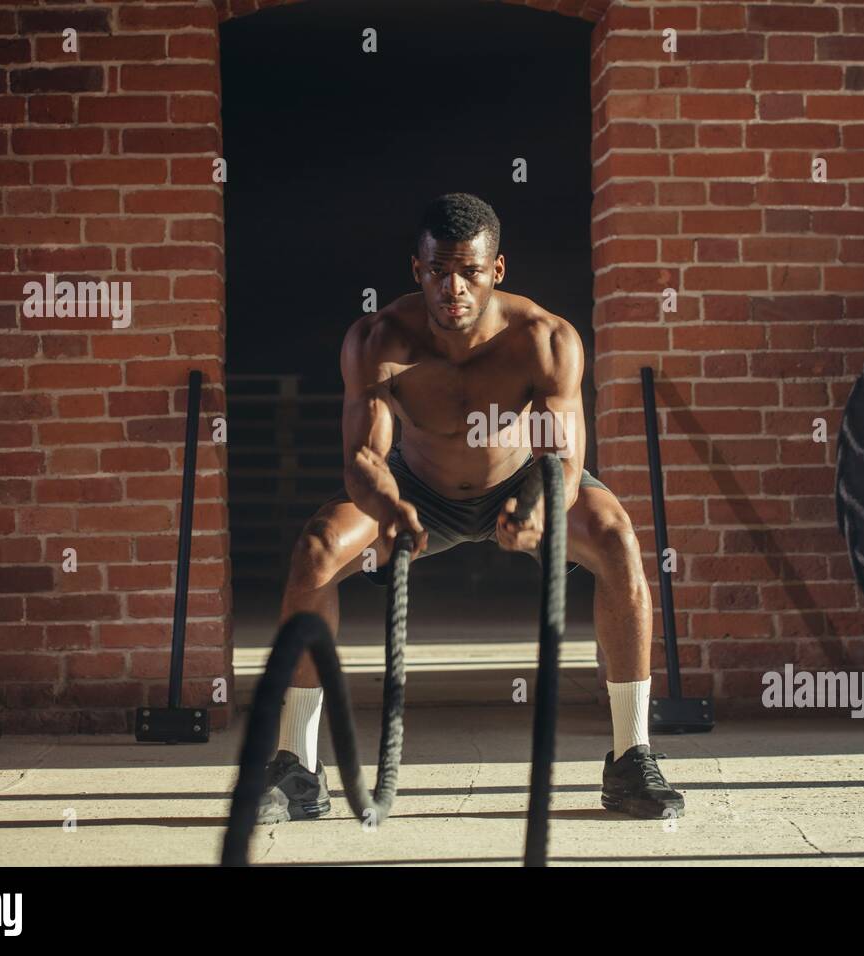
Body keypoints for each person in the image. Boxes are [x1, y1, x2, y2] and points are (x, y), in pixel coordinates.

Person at [257, 193, 684, 823]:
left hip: (521, 482)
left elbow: (563, 462)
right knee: (318, 547)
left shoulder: (546, 339)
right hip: (417, 488)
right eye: (438, 272)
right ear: (417, 269)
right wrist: (391, 507)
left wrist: (538, 508)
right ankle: (297, 769)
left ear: (498, 270)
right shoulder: (378, 339)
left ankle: (632, 760)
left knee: (617, 538)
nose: (453, 287)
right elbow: (362, 460)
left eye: (470, 272)